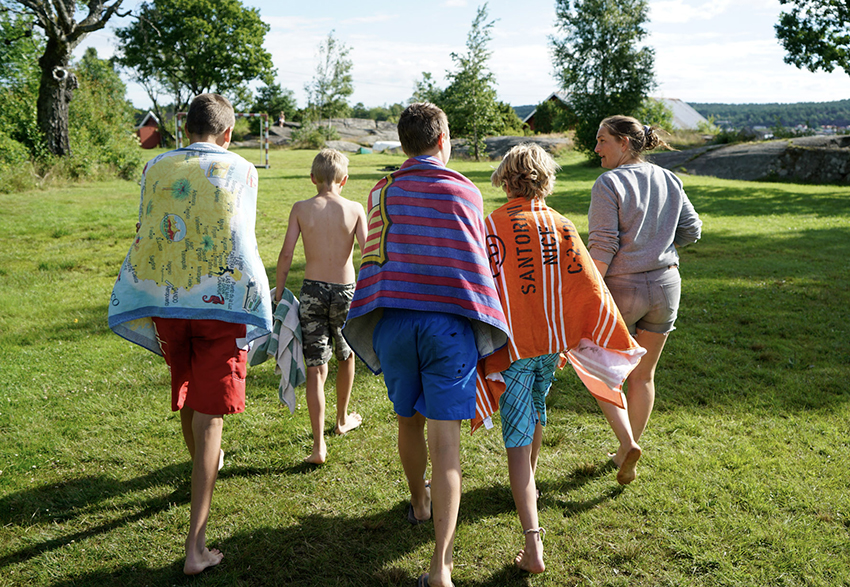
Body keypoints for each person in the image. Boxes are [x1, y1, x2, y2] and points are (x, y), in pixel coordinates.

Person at [342, 103, 509, 587]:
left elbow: (376, 255)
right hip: (448, 327)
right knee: (448, 447)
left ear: (403, 143)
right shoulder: (465, 189)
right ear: (442, 140)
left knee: (407, 421)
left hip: (393, 323)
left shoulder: (381, 190)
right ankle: (441, 568)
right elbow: (471, 255)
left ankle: (419, 502)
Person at [108, 93, 273, 575]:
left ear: (185, 128)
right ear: (226, 133)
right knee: (210, 418)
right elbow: (241, 233)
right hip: (219, 307)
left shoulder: (155, 166)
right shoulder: (243, 169)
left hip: (167, 302)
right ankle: (195, 548)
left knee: (187, 394)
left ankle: (204, 464)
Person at [481, 144, 646, 573]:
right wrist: (578, 335)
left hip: (515, 350)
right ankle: (529, 488)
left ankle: (532, 544)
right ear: (545, 179)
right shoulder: (561, 224)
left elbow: (482, 286)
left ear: (505, 178)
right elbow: (587, 286)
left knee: (516, 443)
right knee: (536, 416)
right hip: (550, 346)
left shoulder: (493, 225)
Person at [589, 115, 702, 457]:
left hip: (622, 289)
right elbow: (692, 230)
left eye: (602, 140)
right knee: (644, 375)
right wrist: (659, 247)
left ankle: (627, 443)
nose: (596, 149)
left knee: (599, 371)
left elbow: (603, 245)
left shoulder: (608, 183)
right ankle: (627, 450)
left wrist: (590, 292)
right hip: (667, 286)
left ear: (624, 142)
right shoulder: (669, 178)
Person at [275, 148, 366, 464]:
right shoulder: (354, 209)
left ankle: (318, 447)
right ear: (345, 179)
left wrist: (280, 291)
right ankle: (341, 421)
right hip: (345, 292)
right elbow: (368, 254)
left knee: (316, 366)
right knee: (347, 354)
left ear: (313, 178)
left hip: (312, 291)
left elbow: (286, 254)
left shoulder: (301, 208)